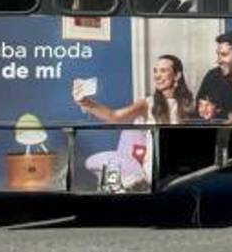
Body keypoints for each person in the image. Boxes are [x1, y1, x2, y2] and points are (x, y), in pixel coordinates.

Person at [76, 55, 195, 192]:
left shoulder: (190, 104)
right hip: (156, 172)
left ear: (177, 75)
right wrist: (86, 103)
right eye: (155, 71)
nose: (157, 75)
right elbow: (114, 117)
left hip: (184, 170)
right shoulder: (148, 103)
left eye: (163, 71)